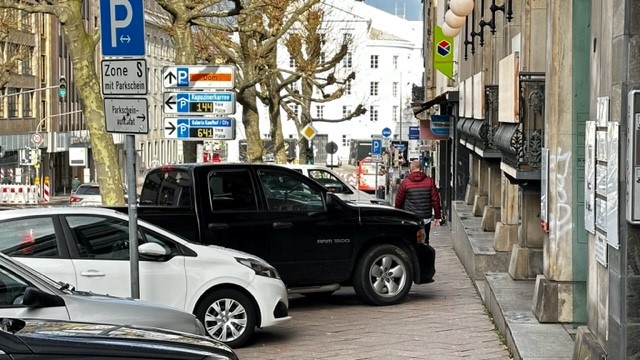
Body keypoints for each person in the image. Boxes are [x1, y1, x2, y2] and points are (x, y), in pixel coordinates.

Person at [394, 160, 442, 241]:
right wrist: (438, 216)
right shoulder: (429, 181)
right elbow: (436, 200)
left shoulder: (405, 183)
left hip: (411, 217)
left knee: (411, 239)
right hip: (425, 218)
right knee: (425, 239)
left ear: (410, 170)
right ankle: (424, 251)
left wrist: (398, 215)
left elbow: (399, 200)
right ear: (421, 169)